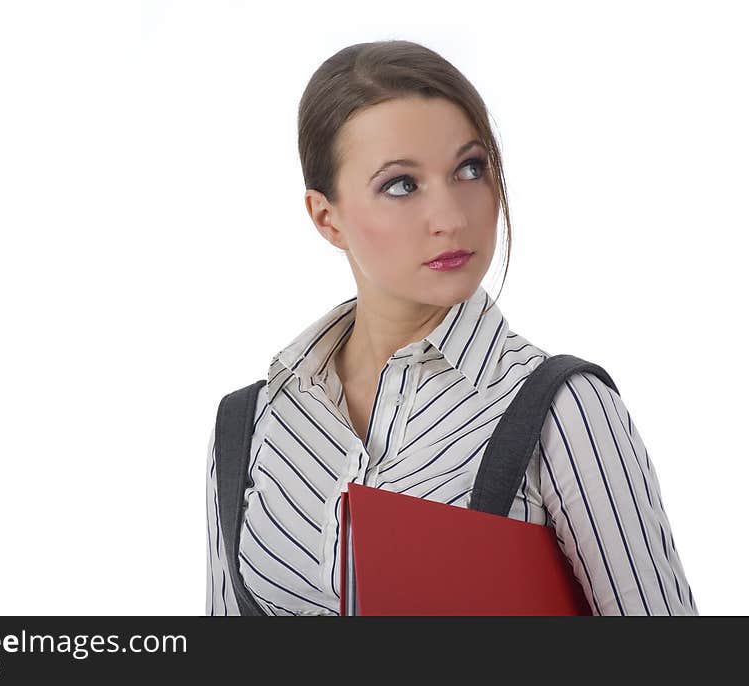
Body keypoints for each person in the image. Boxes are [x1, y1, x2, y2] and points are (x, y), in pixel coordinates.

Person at [205, 39, 698, 616]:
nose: (452, 218)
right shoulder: (250, 425)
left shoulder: (562, 409)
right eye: (401, 185)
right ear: (327, 218)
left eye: (470, 169)